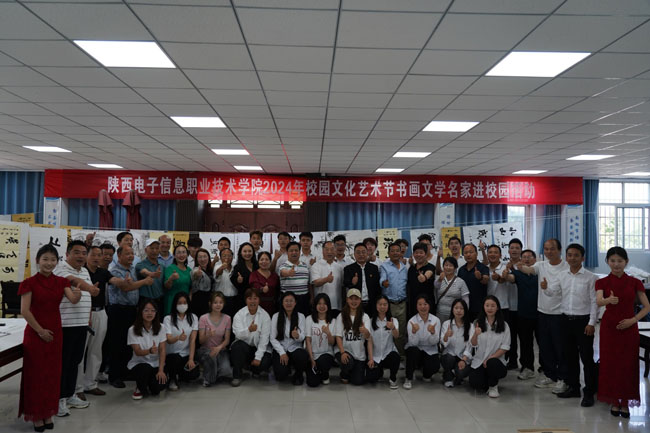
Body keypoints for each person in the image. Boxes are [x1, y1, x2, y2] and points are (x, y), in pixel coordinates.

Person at [18, 244, 81, 431]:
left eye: (53, 259)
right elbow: (25, 311)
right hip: (36, 333)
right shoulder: (29, 283)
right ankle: (36, 415)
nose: (49, 263)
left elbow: (73, 300)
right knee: (36, 375)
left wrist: (78, 295)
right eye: (45, 259)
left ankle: (48, 413)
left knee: (52, 375)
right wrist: (40, 331)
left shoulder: (61, 282)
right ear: (37, 260)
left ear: (57, 262)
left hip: (55, 334)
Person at [596, 246, 650, 418]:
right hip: (609, 328)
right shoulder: (602, 282)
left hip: (629, 327)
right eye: (612, 261)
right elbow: (598, 301)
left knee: (628, 364)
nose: (616, 264)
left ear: (626, 262)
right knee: (610, 363)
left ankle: (625, 402)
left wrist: (633, 320)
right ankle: (614, 400)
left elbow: (647, 307)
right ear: (607, 262)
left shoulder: (635, 282)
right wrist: (608, 300)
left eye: (620, 261)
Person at [546, 244, 597, 407]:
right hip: (565, 320)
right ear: (566, 257)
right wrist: (545, 288)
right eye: (569, 255)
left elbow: (595, 302)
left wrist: (592, 323)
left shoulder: (591, 277)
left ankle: (589, 392)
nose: (572, 258)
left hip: (584, 322)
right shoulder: (562, 275)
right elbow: (553, 292)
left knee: (586, 357)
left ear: (583, 258)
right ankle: (574, 387)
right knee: (569, 356)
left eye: (576, 255)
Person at [52, 240, 100, 415]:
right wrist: (90, 288)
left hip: (81, 324)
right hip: (65, 325)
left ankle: (70, 394)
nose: (81, 256)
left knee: (75, 362)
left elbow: (87, 298)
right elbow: (73, 281)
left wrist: (88, 319)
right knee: (63, 364)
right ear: (67, 254)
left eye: (83, 253)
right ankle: (58, 400)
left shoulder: (85, 270)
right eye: (76, 252)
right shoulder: (60, 269)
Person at [519, 239, 569, 394]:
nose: (549, 252)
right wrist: (519, 266)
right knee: (545, 347)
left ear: (559, 250)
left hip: (560, 313)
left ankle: (563, 378)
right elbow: (528, 270)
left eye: (552, 249)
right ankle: (550, 375)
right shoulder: (541, 265)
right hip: (542, 312)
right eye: (546, 249)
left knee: (560, 347)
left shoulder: (566, 267)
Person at [81, 245, 128, 398]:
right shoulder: (81, 272)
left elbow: (114, 280)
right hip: (84, 313)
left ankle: (90, 383)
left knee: (96, 350)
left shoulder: (103, 272)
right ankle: (76, 388)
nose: (97, 258)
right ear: (87, 256)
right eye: (93, 255)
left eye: (99, 255)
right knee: (81, 352)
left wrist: (124, 281)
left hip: (101, 312)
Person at [107, 246, 153, 389]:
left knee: (129, 343)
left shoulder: (133, 269)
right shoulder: (114, 271)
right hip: (118, 310)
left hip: (132, 310)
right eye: (127, 253)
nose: (131, 256)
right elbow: (126, 287)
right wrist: (144, 282)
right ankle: (114, 376)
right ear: (119, 255)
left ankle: (125, 372)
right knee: (117, 343)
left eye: (132, 253)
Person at [503, 249, 539, 381]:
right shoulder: (517, 273)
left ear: (535, 259)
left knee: (544, 343)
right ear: (521, 260)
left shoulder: (540, 272)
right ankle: (527, 368)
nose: (527, 259)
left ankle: (546, 369)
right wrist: (506, 272)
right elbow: (510, 278)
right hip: (524, 313)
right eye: (524, 257)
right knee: (525, 343)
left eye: (530, 257)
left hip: (541, 313)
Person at [468, 295, 510, 398]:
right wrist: (476, 334)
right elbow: (473, 344)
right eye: (487, 305)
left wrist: (490, 358)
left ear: (497, 307)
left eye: (492, 306)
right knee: (476, 384)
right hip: (480, 361)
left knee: (492, 363)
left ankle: (493, 386)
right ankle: (488, 380)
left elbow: (505, 347)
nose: (490, 308)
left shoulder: (504, 325)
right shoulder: (477, 323)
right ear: (483, 307)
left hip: (496, 361)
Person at [230, 289, 272, 386]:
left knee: (265, 361)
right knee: (237, 347)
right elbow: (238, 335)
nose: (252, 301)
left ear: (259, 300)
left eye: (255, 298)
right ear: (245, 300)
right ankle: (237, 376)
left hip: (258, 347)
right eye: (250, 298)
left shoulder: (265, 316)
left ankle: (254, 369)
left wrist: (258, 357)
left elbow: (264, 339)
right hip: (245, 347)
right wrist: (249, 330)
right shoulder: (239, 314)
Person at [127, 299, 167, 400]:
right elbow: (137, 351)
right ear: (141, 312)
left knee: (157, 389)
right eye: (146, 310)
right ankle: (139, 387)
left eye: (153, 310)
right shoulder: (132, 330)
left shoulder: (162, 327)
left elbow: (162, 350)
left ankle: (147, 383)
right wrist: (149, 351)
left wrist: (161, 370)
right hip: (139, 364)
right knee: (145, 368)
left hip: (155, 364)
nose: (150, 313)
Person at [269, 292, 310, 385]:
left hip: (295, 348)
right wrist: (282, 353)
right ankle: (286, 368)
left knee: (302, 356)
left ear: (295, 303)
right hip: (280, 349)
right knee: (280, 376)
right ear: (282, 303)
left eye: (291, 301)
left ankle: (298, 374)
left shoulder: (301, 316)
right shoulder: (276, 316)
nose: (289, 303)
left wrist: (297, 336)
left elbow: (303, 336)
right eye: (286, 301)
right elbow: (272, 338)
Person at [334, 289, 373, 385]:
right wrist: (342, 352)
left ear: (360, 300)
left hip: (359, 355)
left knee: (358, 381)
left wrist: (365, 331)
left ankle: (351, 371)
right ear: (347, 300)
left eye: (356, 299)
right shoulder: (341, 316)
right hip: (344, 351)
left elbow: (368, 337)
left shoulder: (365, 317)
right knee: (348, 362)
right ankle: (344, 374)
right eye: (351, 299)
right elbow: (338, 337)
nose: (354, 301)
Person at [163, 292, 200, 390]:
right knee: (174, 360)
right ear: (175, 304)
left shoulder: (193, 317)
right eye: (179, 303)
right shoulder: (168, 319)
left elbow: (192, 340)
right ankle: (172, 378)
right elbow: (168, 340)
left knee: (194, 374)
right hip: (172, 354)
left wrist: (191, 359)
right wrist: (178, 338)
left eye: (185, 302)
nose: (182, 305)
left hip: (186, 354)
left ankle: (181, 375)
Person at [404, 295, 441, 390]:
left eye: (425, 304)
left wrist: (432, 333)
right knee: (412, 351)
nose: (423, 307)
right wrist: (414, 332)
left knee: (435, 366)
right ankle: (408, 378)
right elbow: (413, 343)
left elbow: (434, 342)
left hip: (430, 349)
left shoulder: (435, 320)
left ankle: (426, 374)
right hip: (416, 349)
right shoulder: (412, 321)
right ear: (416, 306)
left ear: (429, 305)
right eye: (420, 304)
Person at [198, 292, 232, 387]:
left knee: (227, 371)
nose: (218, 305)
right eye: (215, 302)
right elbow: (201, 341)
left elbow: (227, 340)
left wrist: (218, 348)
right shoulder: (203, 318)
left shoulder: (227, 318)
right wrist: (208, 335)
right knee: (210, 379)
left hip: (220, 350)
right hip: (206, 350)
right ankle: (209, 373)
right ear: (210, 304)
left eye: (221, 302)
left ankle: (213, 369)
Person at [366, 296, 400, 389]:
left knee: (395, 357)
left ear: (388, 306)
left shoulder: (393, 320)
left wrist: (393, 327)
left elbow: (396, 336)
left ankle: (393, 378)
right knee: (371, 378)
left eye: (385, 304)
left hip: (388, 354)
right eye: (380, 304)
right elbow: (369, 341)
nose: (382, 307)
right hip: (376, 356)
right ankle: (379, 371)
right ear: (376, 306)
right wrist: (371, 358)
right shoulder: (371, 321)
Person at [380, 242, 408, 354]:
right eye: (393, 251)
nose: (395, 253)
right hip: (389, 305)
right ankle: (387, 354)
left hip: (402, 304)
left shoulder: (405, 267)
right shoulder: (384, 266)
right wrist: (384, 283)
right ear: (388, 253)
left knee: (400, 331)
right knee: (388, 331)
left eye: (397, 251)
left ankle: (400, 354)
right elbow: (382, 279)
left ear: (401, 252)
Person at [440, 299, 473, 388]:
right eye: (456, 308)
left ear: (465, 311)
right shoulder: (446, 324)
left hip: (463, 357)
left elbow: (470, 346)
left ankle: (455, 375)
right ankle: (448, 378)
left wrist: (464, 360)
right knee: (449, 358)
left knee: (461, 372)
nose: (459, 311)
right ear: (452, 310)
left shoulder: (470, 326)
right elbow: (443, 344)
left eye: (461, 308)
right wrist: (446, 336)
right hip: (449, 355)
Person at [305, 294, 336, 387]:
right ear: (315, 305)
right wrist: (311, 359)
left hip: (326, 354)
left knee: (323, 362)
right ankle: (318, 373)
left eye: (324, 303)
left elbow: (332, 343)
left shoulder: (333, 321)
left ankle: (324, 374)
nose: (322, 306)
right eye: (319, 303)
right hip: (313, 355)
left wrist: (328, 333)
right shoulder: (309, 319)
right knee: (312, 383)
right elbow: (308, 340)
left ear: (328, 305)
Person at [343, 243, 381, 314]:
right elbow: (345, 284)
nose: (361, 255)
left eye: (363, 252)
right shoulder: (348, 269)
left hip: (371, 303)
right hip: (355, 304)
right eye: (358, 252)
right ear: (354, 255)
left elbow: (377, 287)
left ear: (367, 253)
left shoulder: (374, 268)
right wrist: (352, 283)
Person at [458, 243, 489, 322]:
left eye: (471, 252)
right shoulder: (461, 270)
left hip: (479, 308)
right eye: (466, 253)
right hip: (464, 308)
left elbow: (486, 280)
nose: (468, 255)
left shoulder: (483, 267)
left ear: (476, 253)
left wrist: (480, 277)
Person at [310, 241, 344, 315]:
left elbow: (342, 286)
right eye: (327, 249)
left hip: (336, 305)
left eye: (332, 249)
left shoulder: (339, 267)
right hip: (320, 306)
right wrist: (326, 279)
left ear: (335, 251)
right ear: (322, 251)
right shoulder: (316, 266)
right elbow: (315, 283)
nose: (329, 252)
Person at [279, 241, 311, 316]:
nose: (294, 252)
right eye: (291, 251)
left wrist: (311, 297)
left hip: (304, 299)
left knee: (303, 319)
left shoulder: (305, 265)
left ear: (300, 252)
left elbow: (308, 283)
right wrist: (288, 273)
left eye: (296, 250)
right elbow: (283, 272)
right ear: (287, 252)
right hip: (288, 300)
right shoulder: (283, 266)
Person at [505, 238, 523, 370]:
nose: (514, 250)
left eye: (517, 248)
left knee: (524, 338)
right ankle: (512, 361)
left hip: (522, 307)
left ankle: (526, 364)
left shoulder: (525, 266)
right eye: (512, 248)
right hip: (508, 306)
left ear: (521, 250)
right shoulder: (504, 265)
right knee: (510, 336)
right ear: (508, 250)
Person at [434, 257, 470, 322]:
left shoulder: (461, 281)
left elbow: (466, 299)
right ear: (443, 267)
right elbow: (436, 287)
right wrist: (440, 279)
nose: (448, 267)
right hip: (440, 313)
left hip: (455, 314)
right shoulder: (439, 279)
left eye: (451, 265)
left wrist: (464, 312)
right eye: (446, 265)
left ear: (455, 268)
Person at [406, 242, 436, 318]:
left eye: (421, 252)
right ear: (413, 254)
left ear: (425, 254)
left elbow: (429, 273)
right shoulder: (411, 268)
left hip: (427, 306)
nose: (418, 255)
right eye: (416, 252)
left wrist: (424, 277)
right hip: (413, 306)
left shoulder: (430, 267)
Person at [163, 245, 191, 316]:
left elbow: (191, 288)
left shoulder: (189, 270)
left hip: (185, 303)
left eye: (183, 252)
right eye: (178, 252)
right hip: (172, 301)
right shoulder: (170, 268)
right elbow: (166, 286)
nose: (181, 255)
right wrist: (171, 278)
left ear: (187, 254)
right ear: (174, 256)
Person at [249, 251, 280, 317]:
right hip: (258, 305)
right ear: (258, 261)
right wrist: (262, 289)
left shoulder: (275, 275)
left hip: (273, 306)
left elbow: (278, 291)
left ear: (270, 261)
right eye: (261, 259)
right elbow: (254, 287)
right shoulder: (254, 274)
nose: (264, 262)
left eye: (266, 259)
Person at [231, 242, 258, 314]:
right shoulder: (237, 267)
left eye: (249, 251)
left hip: (257, 297)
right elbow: (234, 281)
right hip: (242, 299)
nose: (247, 253)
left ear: (253, 252)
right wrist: (238, 280)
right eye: (245, 251)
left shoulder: (257, 265)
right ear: (241, 253)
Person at [136, 239, 164, 308]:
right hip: (145, 301)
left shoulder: (162, 266)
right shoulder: (140, 264)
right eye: (152, 248)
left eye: (157, 248)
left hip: (160, 301)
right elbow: (144, 272)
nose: (154, 251)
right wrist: (152, 274)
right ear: (146, 250)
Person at [214, 248, 239, 318]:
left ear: (232, 257)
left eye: (229, 255)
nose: (227, 258)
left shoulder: (235, 268)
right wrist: (221, 268)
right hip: (221, 300)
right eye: (224, 256)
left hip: (234, 299)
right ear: (220, 258)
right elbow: (217, 273)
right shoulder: (217, 267)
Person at [190, 248, 214, 318]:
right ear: (196, 259)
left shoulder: (210, 270)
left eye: (205, 256)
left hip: (208, 301)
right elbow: (194, 273)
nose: (202, 259)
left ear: (208, 258)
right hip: (199, 301)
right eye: (200, 257)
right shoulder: (196, 269)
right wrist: (197, 274)